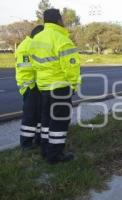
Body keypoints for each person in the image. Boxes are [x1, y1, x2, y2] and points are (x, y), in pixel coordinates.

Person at [30, 8, 81, 164]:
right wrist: (73, 85)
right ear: (59, 20)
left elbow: (34, 64)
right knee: (59, 121)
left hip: (43, 87)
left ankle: (45, 150)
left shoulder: (36, 39)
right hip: (60, 87)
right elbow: (71, 67)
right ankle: (55, 155)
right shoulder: (62, 39)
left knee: (46, 121)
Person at [15, 25, 44, 150]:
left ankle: (38, 139)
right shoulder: (26, 47)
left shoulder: (33, 45)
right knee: (30, 115)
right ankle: (26, 143)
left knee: (38, 115)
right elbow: (26, 69)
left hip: (36, 85)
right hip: (30, 86)